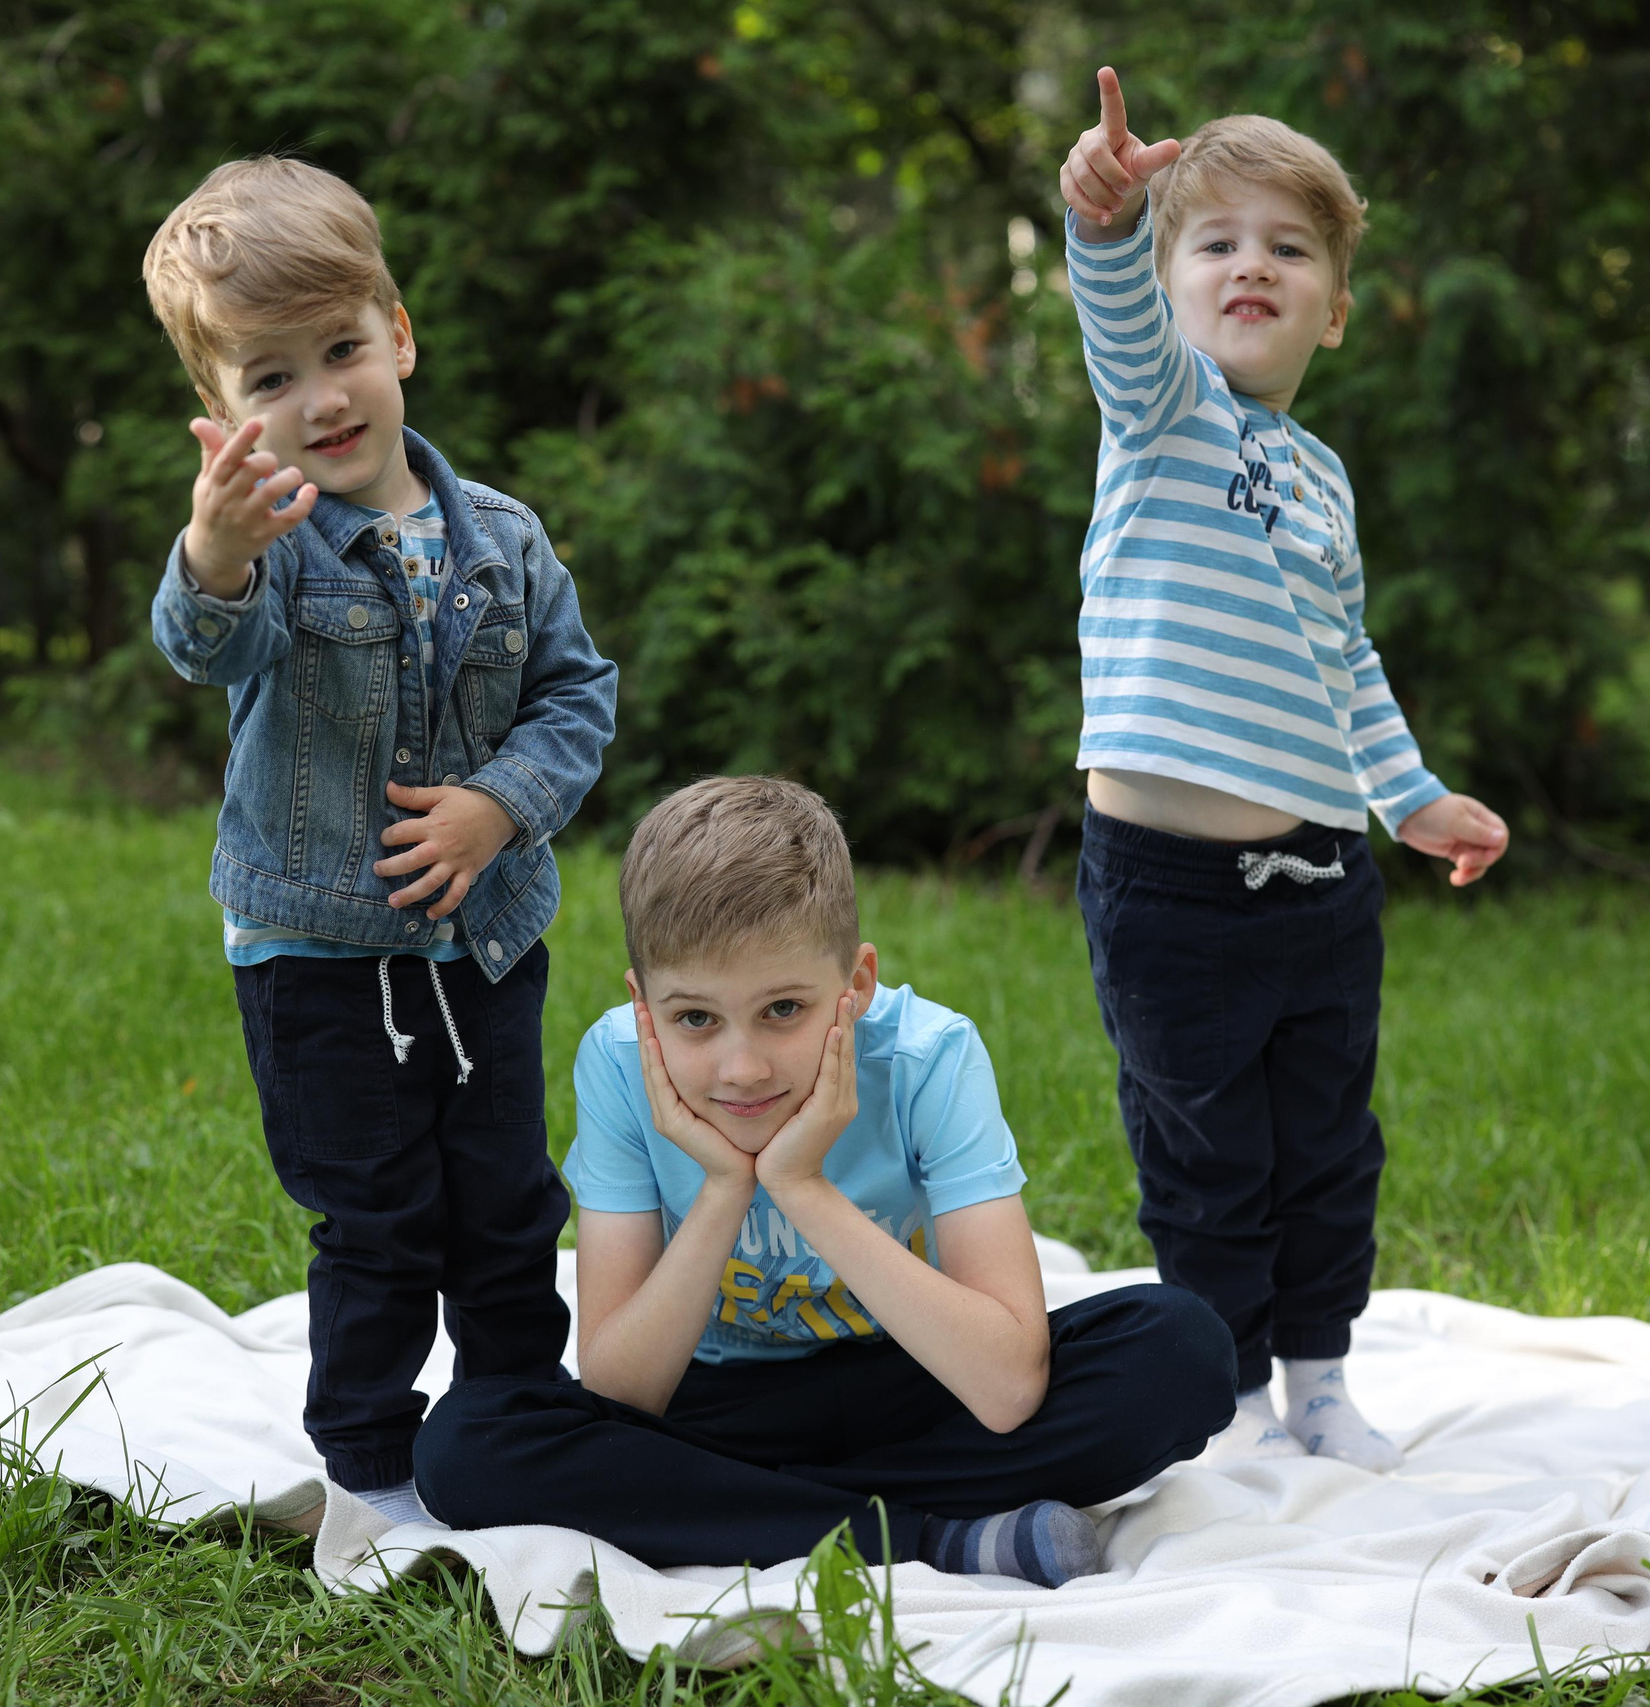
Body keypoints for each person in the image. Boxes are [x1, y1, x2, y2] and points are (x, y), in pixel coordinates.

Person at [416, 777, 1233, 1587]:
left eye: (784, 1009)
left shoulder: (930, 1057)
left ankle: (762, 1517)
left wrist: (804, 1186)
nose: (742, 1067)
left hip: (916, 1379)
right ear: (643, 1006)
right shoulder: (621, 1062)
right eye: (695, 1018)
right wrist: (725, 1188)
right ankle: (934, 1538)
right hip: (714, 1408)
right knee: (467, 1444)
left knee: (1180, 1351)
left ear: (858, 983)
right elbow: (625, 1393)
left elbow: (1008, 1388)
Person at [143, 157, 617, 1534]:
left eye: (341, 350)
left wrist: (503, 800)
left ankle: (518, 1407)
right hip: (322, 952)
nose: (320, 399)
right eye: (269, 379)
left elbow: (577, 690)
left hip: (483, 931)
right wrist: (213, 550)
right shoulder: (269, 546)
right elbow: (202, 644)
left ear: (398, 337)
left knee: (507, 1197)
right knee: (380, 1213)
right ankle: (368, 1452)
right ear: (224, 415)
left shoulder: (507, 541)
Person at [1056, 71, 1510, 1468]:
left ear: (1336, 305)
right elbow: (1119, 321)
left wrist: (1411, 793)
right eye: (1217, 241)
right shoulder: (1164, 415)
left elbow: (1344, 658)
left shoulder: (1321, 479)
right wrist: (1106, 220)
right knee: (1208, 1154)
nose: (1252, 260)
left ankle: (1321, 1378)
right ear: (1176, 283)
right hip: (1171, 892)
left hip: (1320, 883)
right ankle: (1236, 1396)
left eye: (1290, 245)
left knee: (1325, 1145)